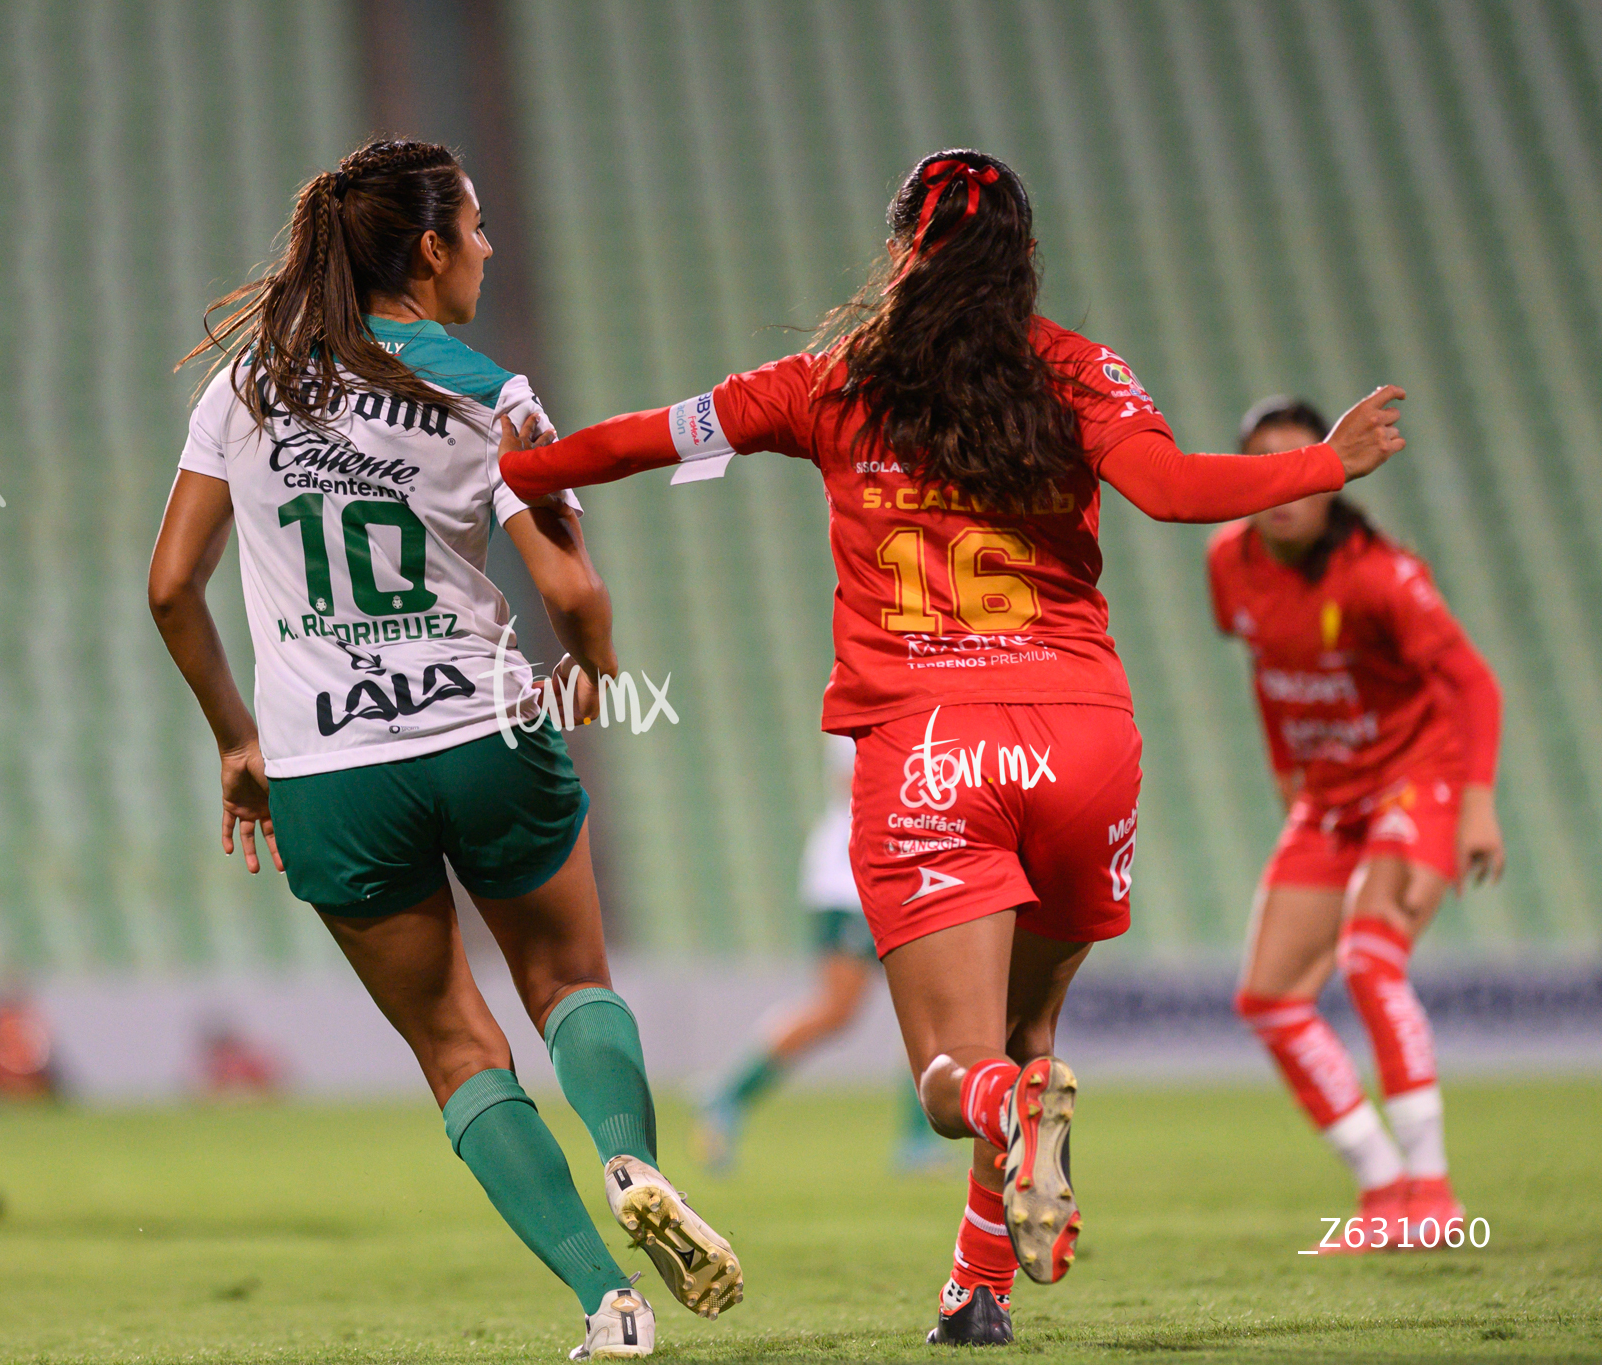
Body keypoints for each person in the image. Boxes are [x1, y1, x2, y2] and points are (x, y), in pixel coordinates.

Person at [499, 149, 1407, 1345]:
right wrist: (1321, 465)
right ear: (1022, 260)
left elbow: (637, 441)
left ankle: (1007, 1117)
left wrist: (514, 466)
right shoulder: (1081, 373)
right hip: (1085, 745)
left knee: (955, 1079)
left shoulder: (826, 383)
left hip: (930, 750)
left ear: (899, 255)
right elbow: (1177, 490)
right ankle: (974, 1294)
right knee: (1030, 1037)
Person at [147, 138, 742, 1360]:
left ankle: (605, 1304)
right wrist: (597, 678)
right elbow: (570, 595)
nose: (486, 245)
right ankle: (629, 1157)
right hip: (483, 729)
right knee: (569, 982)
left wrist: (235, 740)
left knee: (453, 1046)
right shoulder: (490, 389)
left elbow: (169, 589)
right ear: (427, 249)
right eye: (473, 227)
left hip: (326, 769)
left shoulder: (243, 389)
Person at [1211, 395, 1502, 1251]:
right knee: (1267, 998)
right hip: (1330, 798)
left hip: (1418, 781)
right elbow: (1267, 671)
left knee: (1372, 960)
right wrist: (1282, 775)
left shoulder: (1383, 575)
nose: (1287, 486)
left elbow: (1474, 684)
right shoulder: (1229, 562)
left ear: (1334, 475)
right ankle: (1383, 1193)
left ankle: (1436, 1196)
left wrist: (1477, 805)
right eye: (1267, 461)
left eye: (1303, 460)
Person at [695, 735, 944, 1174]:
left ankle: (917, 1139)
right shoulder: (866, 707)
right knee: (838, 1009)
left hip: (890, 873)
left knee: (924, 1006)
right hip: (852, 878)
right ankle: (728, 1094)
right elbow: (849, 784)